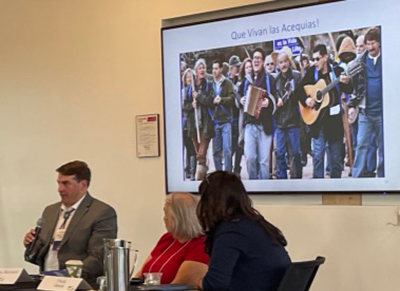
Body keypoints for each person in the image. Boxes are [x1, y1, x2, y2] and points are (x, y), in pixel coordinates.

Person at [23, 161, 117, 284]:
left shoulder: (101, 212)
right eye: (59, 183)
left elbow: (99, 257)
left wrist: (67, 276)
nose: (60, 189)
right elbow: (41, 252)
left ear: (83, 185)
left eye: (66, 183)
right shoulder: (50, 211)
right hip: (45, 281)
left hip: (80, 283)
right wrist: (31, 243)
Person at [197, 171, 291, 291]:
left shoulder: (231, 232)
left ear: (210, 202)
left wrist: (197, 282)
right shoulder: (257, 225)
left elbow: (215, 284)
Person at [297, 44, 352, 178]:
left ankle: (336, 190)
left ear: (326, 57)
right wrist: (307, 100)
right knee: (318, 158)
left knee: (335, 161)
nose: (315, 62)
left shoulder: (337, 72)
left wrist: (347, 82)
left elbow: (349, 90)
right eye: (314, 59)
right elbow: (298, 91)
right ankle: (318, 188)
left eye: (318, 59)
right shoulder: (312, 73)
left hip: (334, 123)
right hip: (319, 122)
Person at [135, 193, 209, 287]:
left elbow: (180, 284)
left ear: (178, 217)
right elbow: (140, 274)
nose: (164, 218)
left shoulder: (201, 244)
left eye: (166, 213)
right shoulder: (167, 238)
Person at [349, 27, 384, 177]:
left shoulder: (387, 58)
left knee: (383, 148)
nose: (370, 47)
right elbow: (352, 82)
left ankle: (383, 178)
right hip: (365, 112)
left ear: (379, 43)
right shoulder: (361, 61)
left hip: (383, 113)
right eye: (368, 44)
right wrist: (351, 105)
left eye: (373, 43)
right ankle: (357, 178)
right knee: (361, 145)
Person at [242, 48, 277, 179]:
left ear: (262, 61)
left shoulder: (270, 80)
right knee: (250, 158)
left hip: (264, 126)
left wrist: (268, 102)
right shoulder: (247, 79)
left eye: (259, 58)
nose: (256, 60)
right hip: (250, 125)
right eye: (254, 58)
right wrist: (241, 100)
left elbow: (275, 98)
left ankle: (264, 190)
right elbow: (238, 97)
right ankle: (253, 187)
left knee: (264, 162)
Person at [274, 49, 303, 179]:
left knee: (296, 153)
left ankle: (297, 179)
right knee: (279, 152)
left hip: (294, 120)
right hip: (280, 122)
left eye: (285, 61)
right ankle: (282, 180)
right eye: (281, 62)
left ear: (289, 62)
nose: (283, 65)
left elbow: (302, 94)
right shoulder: (276, 79)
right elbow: (272, 95)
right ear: (278, 65)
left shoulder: (296, 76)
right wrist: (276, 100)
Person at [191, 59, 216, 180]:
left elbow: (210, 102)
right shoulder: (191, 86)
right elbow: (184, 105)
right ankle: (204, 169)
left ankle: (199, 180)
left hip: (206, 125)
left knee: (201, 154)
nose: (202, 70)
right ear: (196, 71)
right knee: (199, 154)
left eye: (203, 68)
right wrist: (191, 105)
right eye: (200, 68)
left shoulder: (209, 85)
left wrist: (198, 96)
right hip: (194, 125)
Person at [210, 59, 235, 172]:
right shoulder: (210, 84)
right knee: (216, 150)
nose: (214, 71)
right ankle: (219, 174)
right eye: (213, 68)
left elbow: (232, 98)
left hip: (226, 121)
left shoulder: (227, 83)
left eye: (216, 68)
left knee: (227, 149)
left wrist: (222, 100)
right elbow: (207, 100)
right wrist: (213, 101)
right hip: (215, 121)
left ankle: (228, 174)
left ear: (220, 69)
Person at [182, 68, 197, 180]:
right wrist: (191, 105)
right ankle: (188, 170)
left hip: (192, 123)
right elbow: (184, 106)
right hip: (184, 123)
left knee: (192, 147)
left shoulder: (194, 91)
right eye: (187, 77)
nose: (189, 79)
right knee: (187, 146)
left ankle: (192, 172)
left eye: (191, 77)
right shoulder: (183, 91)